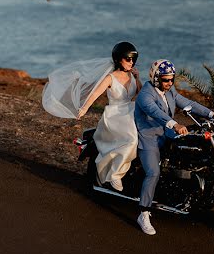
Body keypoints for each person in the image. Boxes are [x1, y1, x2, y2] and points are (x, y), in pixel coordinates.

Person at [42, 42, 141, 192]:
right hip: (115, 115)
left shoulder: (131, 76)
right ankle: (115, 174)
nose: (131, 62)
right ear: (118, 59)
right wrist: (83, 109)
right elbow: (95, 93)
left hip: (131, 110)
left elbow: (139, 93)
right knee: (131, 140)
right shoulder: (110, 78)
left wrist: (137, 78)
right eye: (128, 59)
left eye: (133, 59)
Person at [133, 59, 214, 235]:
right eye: (165, 80)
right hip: (149, 137)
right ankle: (144, 213)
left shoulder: (170, 91)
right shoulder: (145, 95)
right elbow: (155, 112)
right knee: (153, 172)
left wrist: (211, 114)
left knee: (194, 150)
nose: (169, 83)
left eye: (172, 79)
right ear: (156, 78)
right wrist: (174, 124)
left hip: (166, 134)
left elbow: (189, 104)